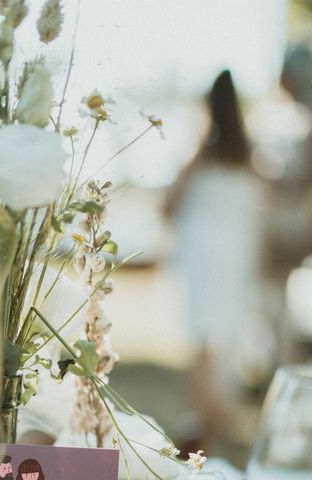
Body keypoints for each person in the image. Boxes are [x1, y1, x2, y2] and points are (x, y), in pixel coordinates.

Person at [165, 70, 268, 440]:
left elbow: (168, 206)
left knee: (202, 342)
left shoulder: (201, 158)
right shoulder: (251, 161)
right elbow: (260, 216)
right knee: (222, 339)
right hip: (234, 259)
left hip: (203, 258)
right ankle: (209, 420)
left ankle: (199, 423)